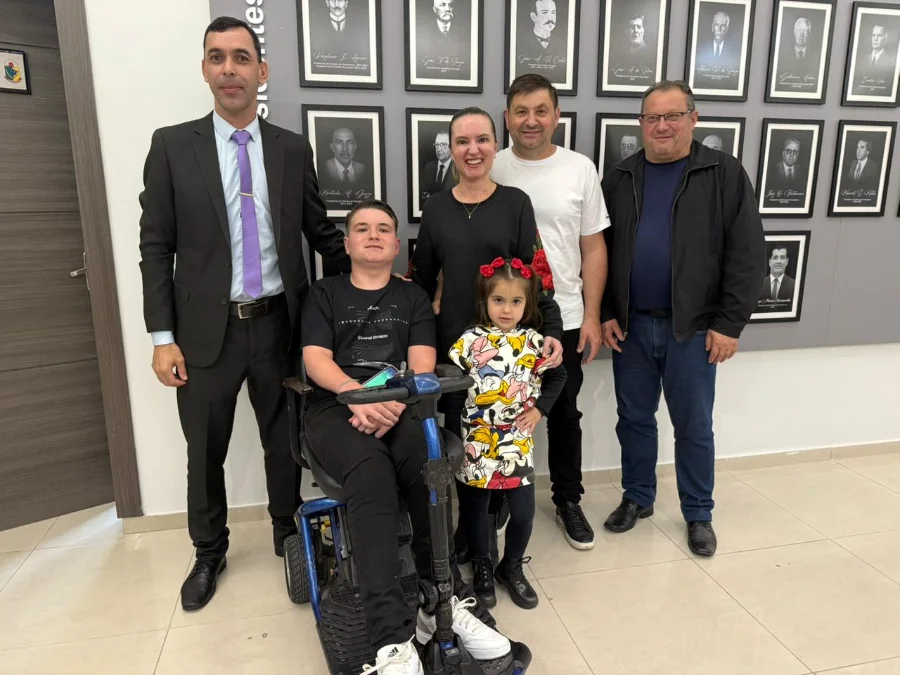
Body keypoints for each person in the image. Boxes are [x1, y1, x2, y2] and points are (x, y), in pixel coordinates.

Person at [138, 16, 350, 611]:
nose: (229, 69)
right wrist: (161, 336)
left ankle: (288, 534)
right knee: (204, 447)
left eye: (240, 57)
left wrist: (378, 284)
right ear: (205, 69)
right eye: (217, 58)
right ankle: (209, 551)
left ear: (263, 70)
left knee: (285, 438)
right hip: (204, 332)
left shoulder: (290, 147)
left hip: (281, 325)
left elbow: (319, 232)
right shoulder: (172, 146)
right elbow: (156, 245)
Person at [301, 200, 511, 675]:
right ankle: (391, 641)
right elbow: (315, 360)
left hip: (403, 404)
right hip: (335, 409)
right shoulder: (323, 293)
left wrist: (394, 403)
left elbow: (421, 362)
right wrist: (356, 396)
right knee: (371, 473)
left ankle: (442, 601)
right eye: (362, 229)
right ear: (348, 243)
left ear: (397, 245)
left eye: (383, 229)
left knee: (428, 466)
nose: (373, 236)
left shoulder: (413, 298)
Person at [599, 80, 765, 557]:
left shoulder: (723, 173)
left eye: (673, 115)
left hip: (693, 328)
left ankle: (698, 513)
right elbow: (601, 252)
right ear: (641, 124)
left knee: (693, 424)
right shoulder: (622, 177)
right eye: (652, 117)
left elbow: (748, 254)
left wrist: (729, 324)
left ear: (694, 119)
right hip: (630, 327)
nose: (662, 126)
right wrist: (608, 311)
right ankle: (638, 498)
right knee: (633, 418)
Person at [409, 105, 565, 571]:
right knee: (460, 446)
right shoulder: (435, 208)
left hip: (508, 354)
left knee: (506, 442)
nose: (472, 150)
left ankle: (496, 541)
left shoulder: (515, 203)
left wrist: (553, 330)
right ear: (451, 149)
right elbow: (421, 282)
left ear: (495, 146)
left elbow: (536, 277)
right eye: (462, 141)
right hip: (457, 356)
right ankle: (469, 535)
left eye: (481, 140)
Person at [492, 73, 610, 550]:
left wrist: (594, 315)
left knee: (563, 413)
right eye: (521, 111)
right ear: (507, 118)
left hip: (565, 313)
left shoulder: (580, 168)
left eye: (541, 110)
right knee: (498, 409)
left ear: (557, 116)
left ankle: (568, 500)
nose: (531, 120)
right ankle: (496, 498)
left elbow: (594, 247)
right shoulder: (491, 164)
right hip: (502, 318)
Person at [449, 258, 567, 610]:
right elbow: (455, 386)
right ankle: (482, 563)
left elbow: (558, 378)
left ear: (527, 305)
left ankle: (510, 566)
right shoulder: (469, 341)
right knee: (477, 509)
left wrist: (539, 409)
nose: (506, 309)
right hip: (477, 440)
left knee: (524, 511)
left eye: (516, 302)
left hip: (517, 442)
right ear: (484, 301)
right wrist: (455, 430)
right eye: (498, 300)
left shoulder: (535, 343)